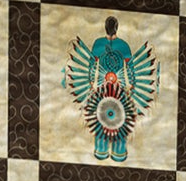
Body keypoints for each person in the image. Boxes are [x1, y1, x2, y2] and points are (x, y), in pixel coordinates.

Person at [62, 14, 159, 162]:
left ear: (105, 28)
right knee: (120, 121)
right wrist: (128, 86)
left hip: (101, 92)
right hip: (119, 92)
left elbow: (92, 67)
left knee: (100, 120)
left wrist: (95, 85)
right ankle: (118, 152)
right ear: (117, 28)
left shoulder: (98, 43)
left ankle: (101, 151)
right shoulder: (123, 45)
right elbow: (129, 69)